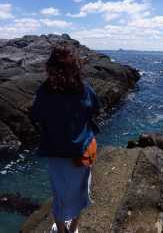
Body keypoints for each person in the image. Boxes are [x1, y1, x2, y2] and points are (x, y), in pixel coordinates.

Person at [29, 46, 100, 233]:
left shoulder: (45, 91)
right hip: (82, 152)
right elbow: (95, 109)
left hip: (56, 152)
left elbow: (35, 114)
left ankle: (61, 231)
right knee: (80, 193)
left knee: (60, 196)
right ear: (76, 66)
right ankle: (74, 228)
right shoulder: (85, 89)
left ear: (50, 67)